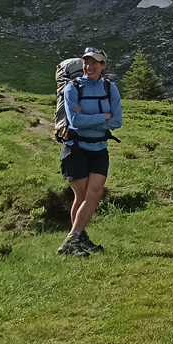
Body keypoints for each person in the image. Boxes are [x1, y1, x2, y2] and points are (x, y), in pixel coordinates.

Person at [57, 47, 122, 257]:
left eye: (94, 62)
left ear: (103, 65)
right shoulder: (72, 89)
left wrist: (88, 118)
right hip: (75, 148)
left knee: (94, 194)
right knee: (82, 195)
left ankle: (73, 239)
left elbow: (117, 120)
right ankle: (77, 239)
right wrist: (104, 117)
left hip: (100, 148)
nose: (89, 66)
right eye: (86, 62)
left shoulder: (110, 88)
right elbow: (75, 122)